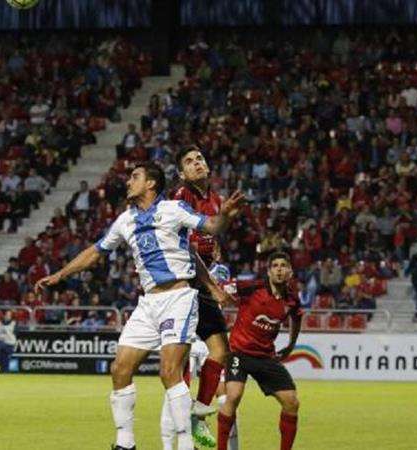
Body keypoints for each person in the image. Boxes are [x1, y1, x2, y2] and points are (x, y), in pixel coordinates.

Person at [35, 162, 243, 450]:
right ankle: (126, 443)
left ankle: (185, 443)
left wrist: (225, 217)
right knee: (120, 368)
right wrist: (60, 274)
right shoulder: (125, 220)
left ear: (150, 184)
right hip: (148, 303)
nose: (128, 182)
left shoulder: (172, 209)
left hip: (178, 297)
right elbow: (95, 252)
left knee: (169, 371)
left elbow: (210, 225)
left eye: (135, 177)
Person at [170, 145, 235, 446]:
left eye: (200, 159)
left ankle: (198, 414)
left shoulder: (215, 200)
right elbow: (185, 248)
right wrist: (211, 286)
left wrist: (214, 249)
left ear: (207, 167)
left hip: (202, 280)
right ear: (182, 173)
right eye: (189, 162)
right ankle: (183, 424)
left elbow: (207, 238)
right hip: (180, 284)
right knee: (180, 357)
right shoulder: (181, 197)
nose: (196, 164)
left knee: (220, 351)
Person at [216, 251, 303, 450]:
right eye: (275, 266)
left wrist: (291, 344)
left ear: (290, 271)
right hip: (239, 352)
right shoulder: (251, 287)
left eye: (284, 266)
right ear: (269, 271)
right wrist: (221, 297)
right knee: (233, 396)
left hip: (265, 356)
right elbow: (222, 288)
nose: (280, 269)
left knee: (292, 402)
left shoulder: (291, 300)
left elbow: (297, 318)